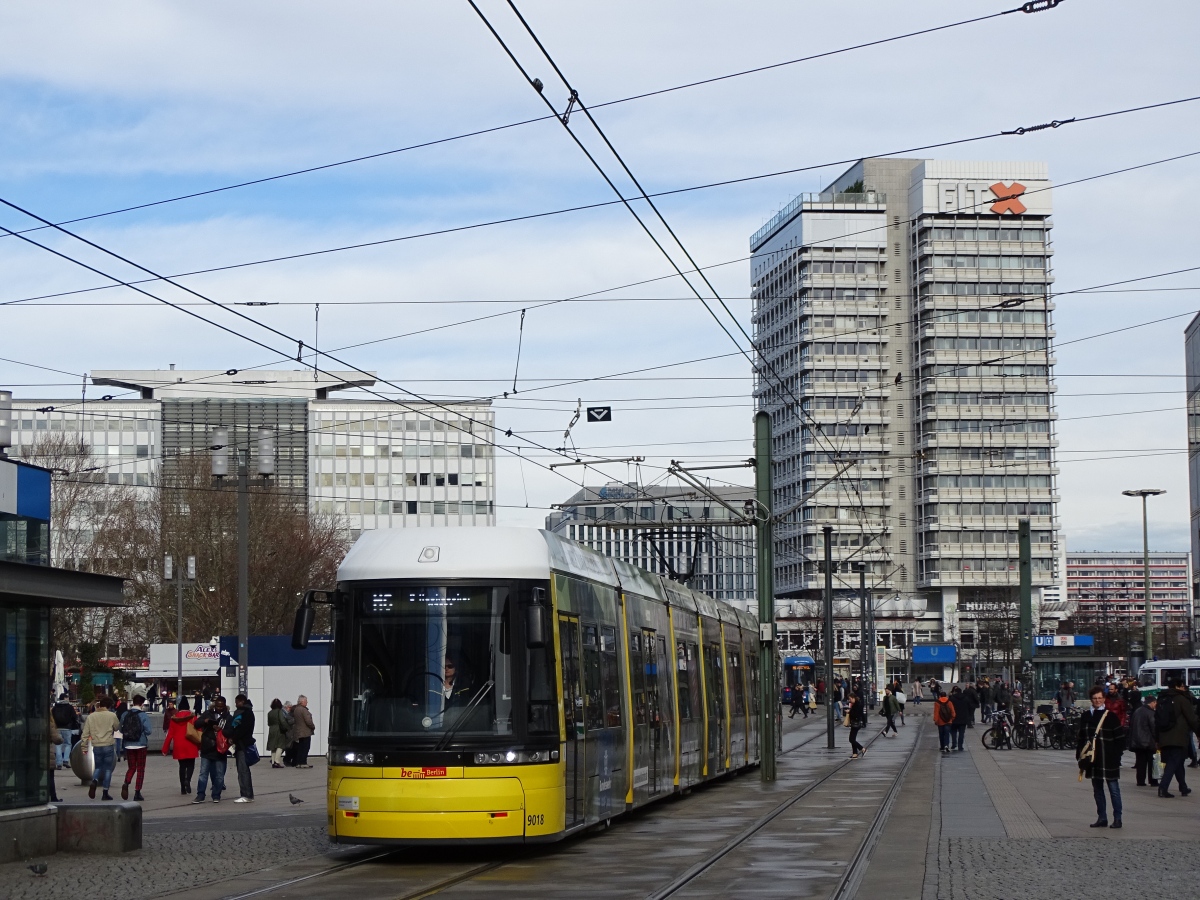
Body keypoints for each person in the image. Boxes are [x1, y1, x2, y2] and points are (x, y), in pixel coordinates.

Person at [1077, 685, 1125, 828]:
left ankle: (1117, 818)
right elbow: (1081, 738)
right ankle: (1102, 817)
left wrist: (1117, 756)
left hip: (1109, 757)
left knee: (1114, 789)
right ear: (1091, 700)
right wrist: (1079, 756)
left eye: (1099, 698)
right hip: (1093, 759)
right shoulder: (1086, 716)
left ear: (1104, 699)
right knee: (1097, 790)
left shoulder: (1111, 716)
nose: (1097, 701)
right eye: (1094, 698)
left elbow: (1120, 739)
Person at [1156, 678, 1199, 798]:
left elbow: (1156, 719)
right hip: (1177, 737)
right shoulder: (1181, 699)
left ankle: (1183, 787)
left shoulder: (1162, 698)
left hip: (1164, 736)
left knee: (1178, 763)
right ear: (1177, 686)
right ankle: (1163, 788)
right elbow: (1192, 718)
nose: (1184, 688)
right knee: (1173, 762)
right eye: (1182, 686)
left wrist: (1157, 738)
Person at [80, 694, 120, 800]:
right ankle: (105, 792)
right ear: (109, 706)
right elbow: (117, 727)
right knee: (107, 769)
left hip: (96, 745)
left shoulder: (91, 716)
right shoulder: (112, 715)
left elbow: (85, 733)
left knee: (98, 767)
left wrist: (84, 747)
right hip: (108, 744)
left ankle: (94, 780)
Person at [193, 695, 231, 804]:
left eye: (221, 706)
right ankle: (200, 794)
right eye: (217, 706)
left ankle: (216, 794)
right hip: (207, 747)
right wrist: (205, 721)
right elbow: (196, 724)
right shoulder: (208, 713)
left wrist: (221, 730)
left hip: (220, 749)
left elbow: (231, 731)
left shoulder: (228, 717)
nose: (219, 708)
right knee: (203, 773)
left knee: (219, 774)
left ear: (224, 706)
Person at [119, 695, 152, 802]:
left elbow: (120, 729)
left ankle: (126, 782)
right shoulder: (143, 715)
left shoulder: (125, 714)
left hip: (128, 744)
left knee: (132, 767)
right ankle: (137, 792)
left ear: (133, 702)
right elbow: (148, 731)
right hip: (141, 744)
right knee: (140, 768)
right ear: (142, 704)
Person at [162, 703, 200, 796]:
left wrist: (165, 749)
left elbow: (169, 735)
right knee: (191, 765)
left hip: (179, 745)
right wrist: (200, 746)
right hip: (191, 744)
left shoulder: (174, 718)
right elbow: (199, 732)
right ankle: (188, 780)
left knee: (182, 766)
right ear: (188, 707)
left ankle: (183, 788)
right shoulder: (193, 717)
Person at [228, 694, 256, 803]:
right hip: (242, 744)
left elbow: (242, 730)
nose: (235, 705)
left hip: (243, 745)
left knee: (243, 770)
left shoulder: (246, 713)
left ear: (241, 701)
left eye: (236, 702)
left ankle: (247, 795)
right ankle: (246, 794)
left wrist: (233, 738)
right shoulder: (247, 712)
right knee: (242, 770)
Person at [1128, 694, 1159, 788]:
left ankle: (1140, 781)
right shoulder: (1151, 713)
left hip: (1137, 742)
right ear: (1153, 702)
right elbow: (1154, 728)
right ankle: (1153, 781)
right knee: (1152, 762)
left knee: (1140, 762)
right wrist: (1157, 739)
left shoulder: (1137, 711)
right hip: (1148, 742)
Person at [51, 694, 79, 769]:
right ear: (65, 698)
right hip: (67, 728)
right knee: (68, 744)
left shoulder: (55, 707)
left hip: (57, 728)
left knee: (58, 745)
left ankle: (59, 763)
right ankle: (66, 760)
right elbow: (74, 717)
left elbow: (52, 717)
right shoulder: (69, 707)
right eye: (67, 697)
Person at [291, 695, 316, 768]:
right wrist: (313, 726)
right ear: (302, 702)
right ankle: (303, 762)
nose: (307, 702)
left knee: (300, 748)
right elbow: (308, 721)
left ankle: (299, 762)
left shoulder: (296, 709)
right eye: (306, 701)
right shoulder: (304, 710)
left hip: (299, 732)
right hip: (305, 732)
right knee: (305, 748)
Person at [267, 698, 291, 767]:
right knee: (280, 745)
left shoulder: (270, 713)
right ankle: (277, 761)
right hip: (279, 729)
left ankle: (273, 761)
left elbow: (268, 723)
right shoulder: (279, 711)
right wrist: (287, 727)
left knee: (273, 746)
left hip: (271, 729)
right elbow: (282, 721)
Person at [47, 712, 63, 803]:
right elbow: (57, 739)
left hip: (34, 753)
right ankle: (53, 796)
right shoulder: (49, 724)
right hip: (47, 752)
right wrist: (61, 738)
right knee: (50, 776)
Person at [949, 686, 969, 751]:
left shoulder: (952, 698)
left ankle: (954, 744)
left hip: (954, 718)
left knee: (953, 732)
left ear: (955, 692)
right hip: (963, 718)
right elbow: (969, 707)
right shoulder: (966, 698)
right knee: (961, 733)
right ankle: (960, 746)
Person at [847, 692, 867, 759]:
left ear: (853, 698)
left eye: (850, 699)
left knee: (851, 739)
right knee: (853, 739)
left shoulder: (857, 705)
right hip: (855, 723)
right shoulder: (856, 704)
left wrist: (849, 712)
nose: (849, 700)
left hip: (856, 723)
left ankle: (862, 749)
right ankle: (854, 753)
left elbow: (856, 714)